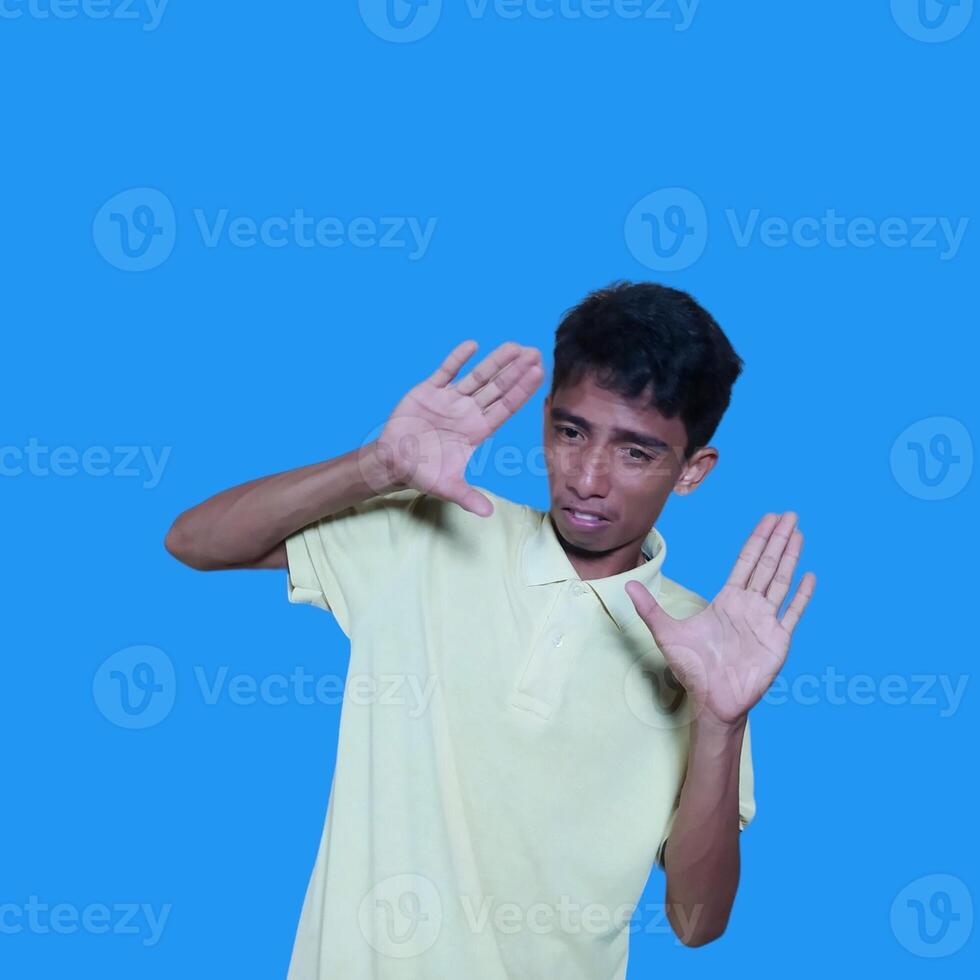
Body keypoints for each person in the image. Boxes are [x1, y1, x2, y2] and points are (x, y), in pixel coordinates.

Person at [164, 281, 816, 978]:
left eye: (636, 452)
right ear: (543, 423)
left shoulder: (706, 644)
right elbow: (196, 541)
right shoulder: (430, 527)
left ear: (691, 471)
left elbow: (697, 924)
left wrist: (721, 721)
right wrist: (374, 466)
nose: (589, 477)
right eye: (571, 432)